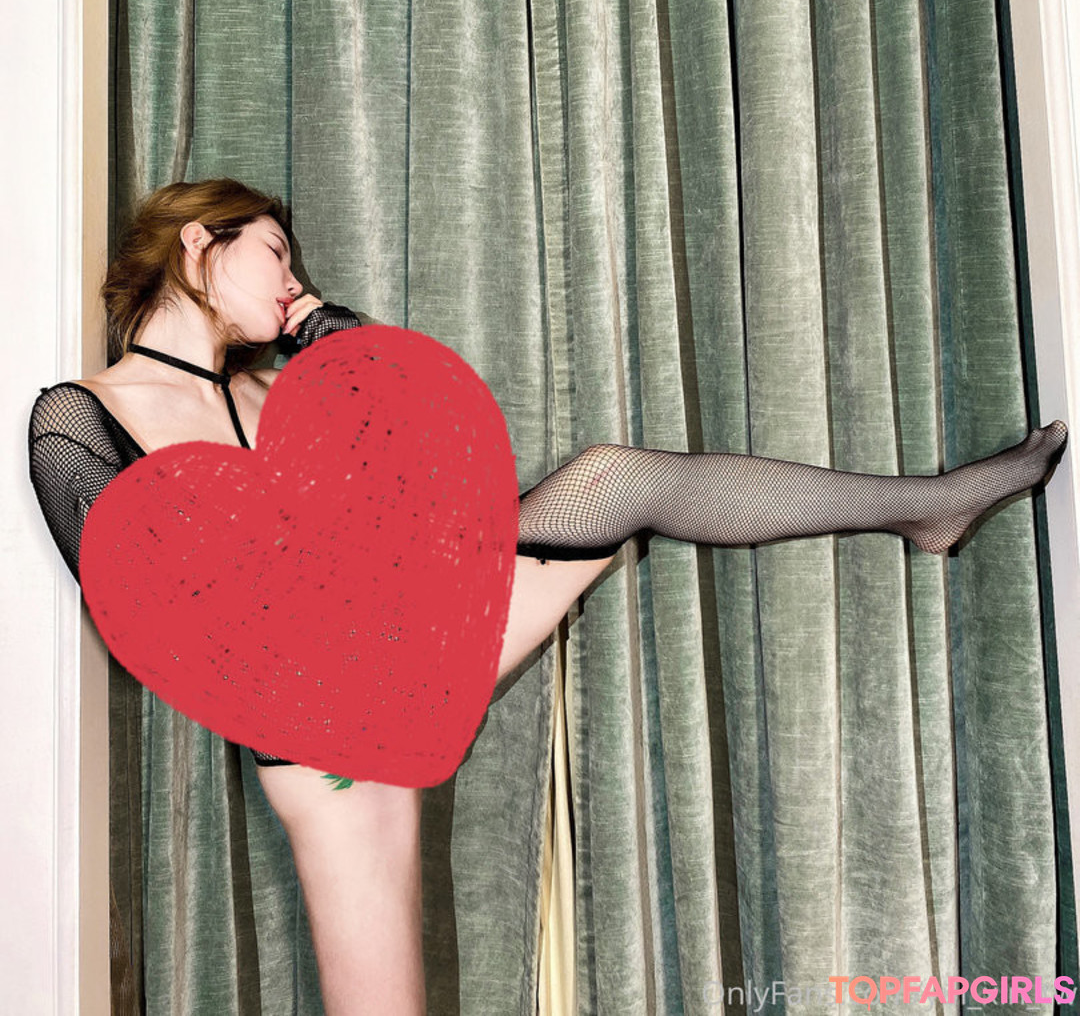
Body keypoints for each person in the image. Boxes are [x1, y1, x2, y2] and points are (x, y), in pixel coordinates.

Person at [27, 177, 1069, 1016]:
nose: (293, 278)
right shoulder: (83, 413)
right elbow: (139, 604)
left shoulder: (274, 389)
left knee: (616, 479)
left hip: (404, 638)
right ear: (199, 242)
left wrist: (328, 331)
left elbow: (416, 446)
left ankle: (927, 505)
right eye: (276, 254)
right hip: (317, 733)